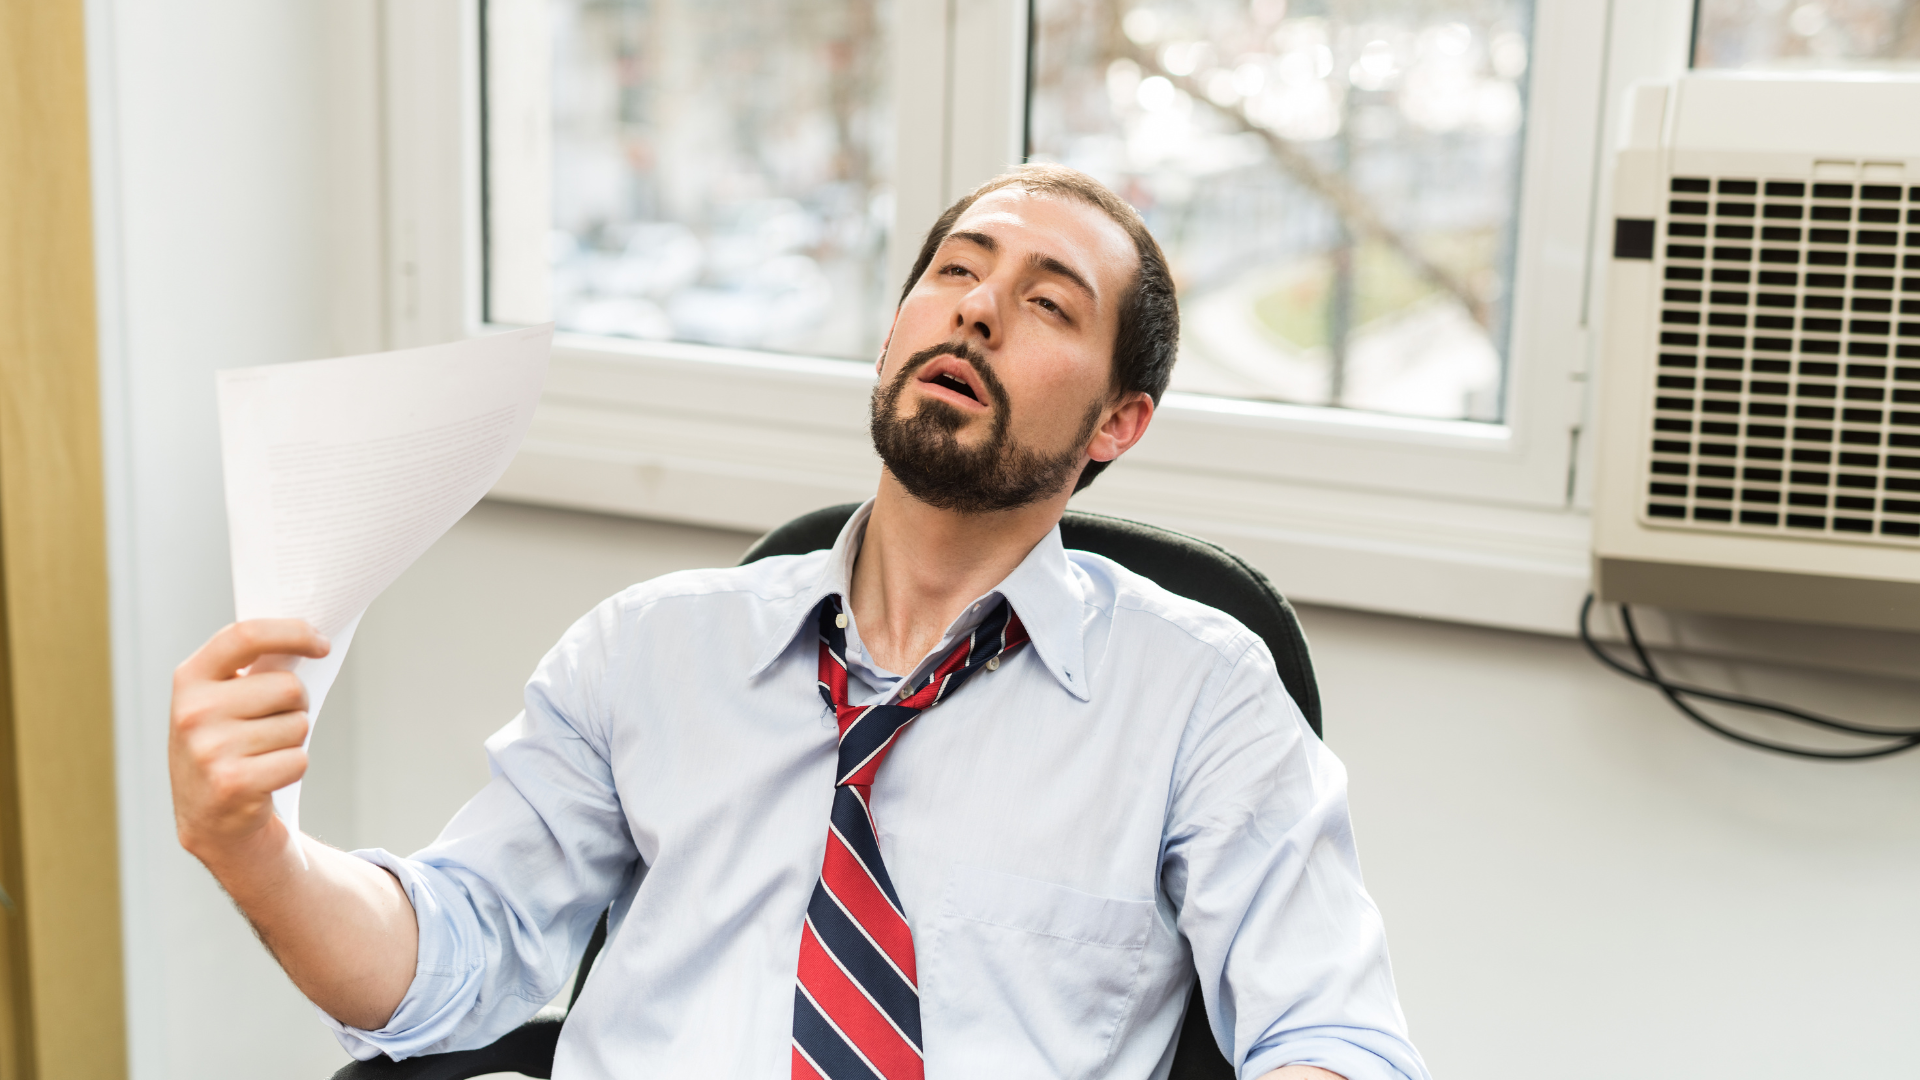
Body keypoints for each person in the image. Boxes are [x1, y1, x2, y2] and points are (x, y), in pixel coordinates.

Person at [170, 164, 1429, 1080]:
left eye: (1049, 305)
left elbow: (1334, 1042)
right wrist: (255, 851)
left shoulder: (1200, 696)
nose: (976, 311)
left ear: (1118, 424)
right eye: (953, 272)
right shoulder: (647, 650)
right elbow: (452, 958)